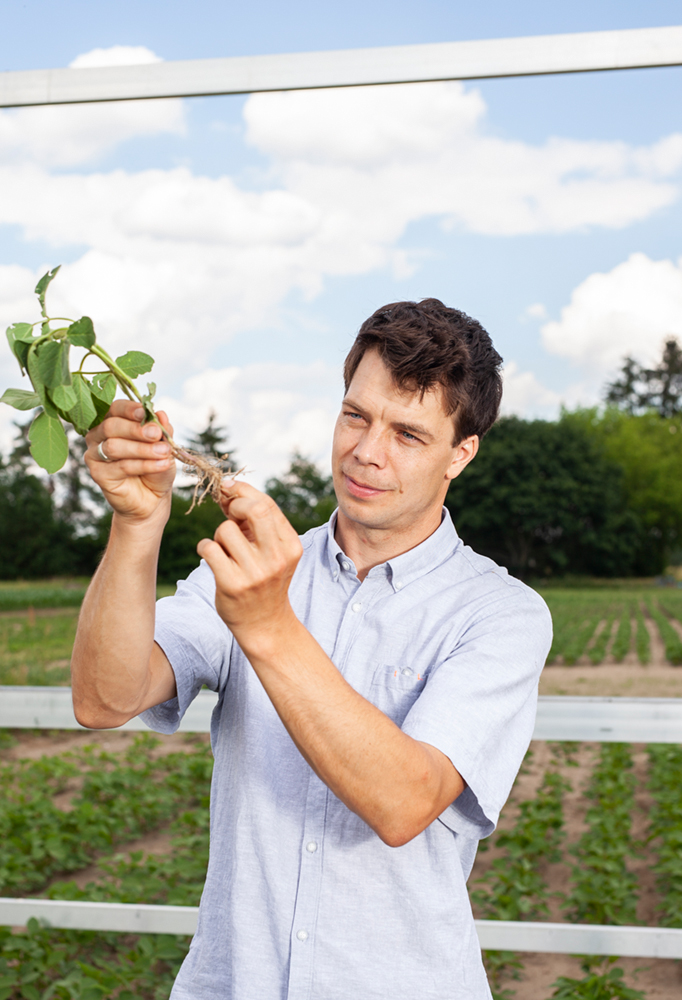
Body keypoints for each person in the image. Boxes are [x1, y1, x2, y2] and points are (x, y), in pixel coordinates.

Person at [73, 298, 552, 1000]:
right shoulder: (253, 569)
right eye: (356, 415)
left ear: (461, 453)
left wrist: (268, 627)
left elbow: (401, 802)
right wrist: (137, 527)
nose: (367, 450)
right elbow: (103, 697)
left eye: (409, 434)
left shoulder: (500, 613)